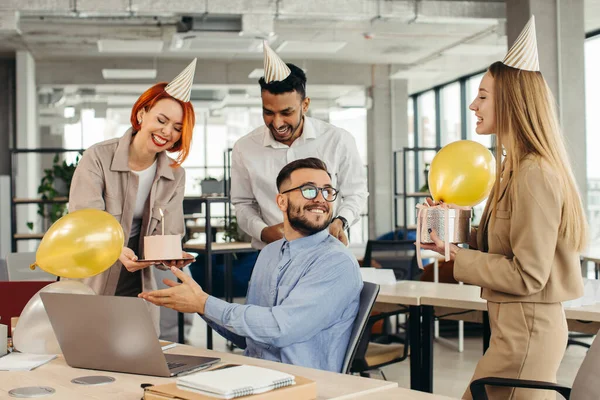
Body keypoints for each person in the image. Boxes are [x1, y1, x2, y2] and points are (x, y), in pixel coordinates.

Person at [421, 16, 587, 400]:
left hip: (527, 332)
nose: (472, 104)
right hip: (515, 327)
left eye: (483, 95)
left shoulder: (534, 174)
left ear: (512, 100)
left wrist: (454, 256)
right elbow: (501, 245)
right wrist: (451, 225)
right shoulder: (514, 168)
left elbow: (528, 275)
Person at [140, 158, 363, 372]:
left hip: (303, 385)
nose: (321, 199)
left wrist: (205, 303)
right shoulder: (269, 253)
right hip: (254, 373)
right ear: (282, 201)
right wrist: (197, 302)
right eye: (309, 190)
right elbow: (247, 336)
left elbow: (279, 329)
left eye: (327, 191)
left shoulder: (336, 261)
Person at [68, 59, 198, 327]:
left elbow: (170, 233)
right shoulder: (98, 157)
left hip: (139, 282)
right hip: (93, 274)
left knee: (136, 354)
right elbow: (84, 220)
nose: (166, 132)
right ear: (142, 114)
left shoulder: (175, 175)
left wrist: (170, 257)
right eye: (161, 120)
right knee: (87, 345)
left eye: (176, 128)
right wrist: (115, 249)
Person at [231, 42, 368, 249]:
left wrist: (341, 221)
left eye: (286, 113)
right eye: (268, 112)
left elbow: (356, 193)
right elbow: (243, 204)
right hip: (271, 252)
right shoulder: (245, 148)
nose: (277, 123)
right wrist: (263, 231)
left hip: (325, 250)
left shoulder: (338, 140)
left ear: (305, 105)